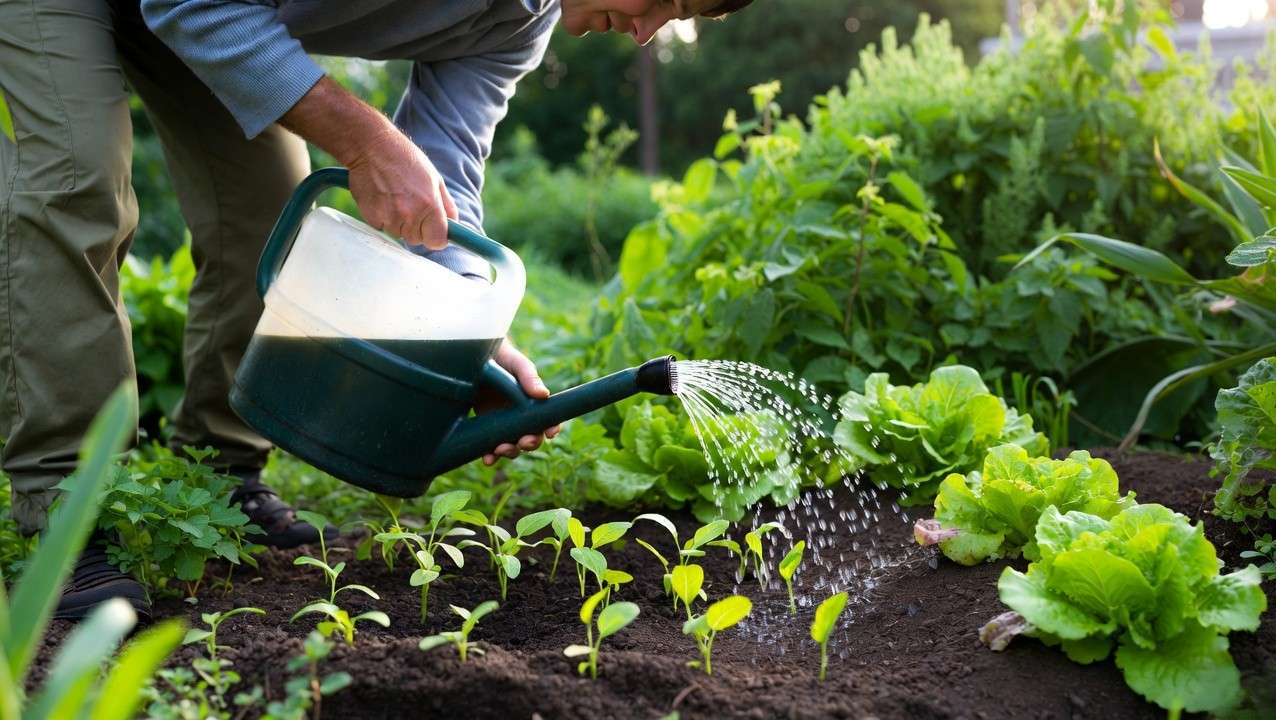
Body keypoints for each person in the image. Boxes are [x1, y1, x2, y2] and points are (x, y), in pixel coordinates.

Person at [0, 0, 755, 620]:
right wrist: (365, 142)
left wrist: (468, 339)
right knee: (79, 182)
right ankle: (66, 507)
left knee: (271, 209)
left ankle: (219, 476)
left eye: (682, 19)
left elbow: (440, 180)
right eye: (670, 0)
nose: (651, 30)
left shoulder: (518, 25)